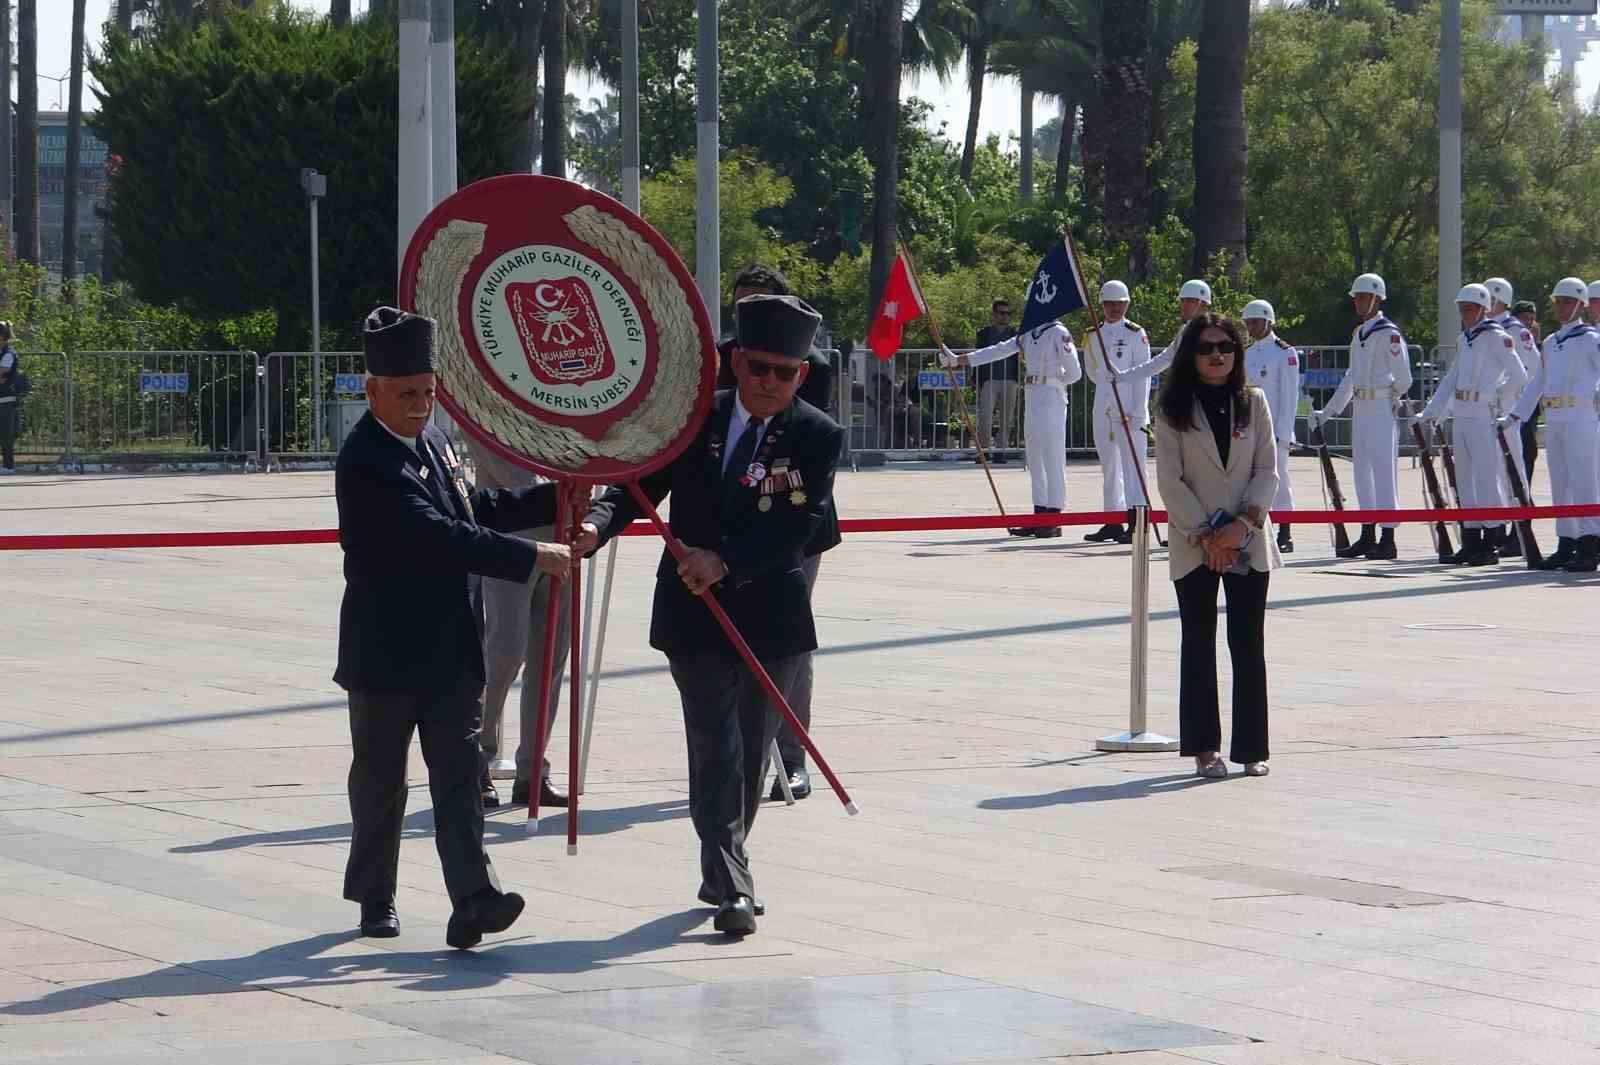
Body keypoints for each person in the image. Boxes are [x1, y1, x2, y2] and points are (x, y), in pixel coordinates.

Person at [580, 294, 843, 936]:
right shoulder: (695, 419)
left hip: (769, 614)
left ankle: (724, 857)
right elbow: (639, 483)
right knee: (714, 743)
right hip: (693, 615)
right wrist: (595, 525)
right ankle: (733, 881)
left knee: (751, 750)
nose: (771, 383)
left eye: (786, 372)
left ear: (802, 374)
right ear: (734, 361)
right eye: (759, 368)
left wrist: (725, 560)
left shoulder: (816, 433)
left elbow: (800, 527)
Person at [334, 306, 574, 949]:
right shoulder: (366, 460)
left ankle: (474, 897)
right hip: (385, 653)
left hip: (449, 651)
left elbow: (479, 506)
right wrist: (531, 555)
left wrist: (557, 495)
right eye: (406, 395)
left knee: (462, 775)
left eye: (428, 393)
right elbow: (436, 535)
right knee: (381, 782)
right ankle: (375, 897)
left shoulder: (438, 444)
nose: (419, 405)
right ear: (373, 390)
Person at [713, 264, 838, 802]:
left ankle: (790, 755)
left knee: (789, 644)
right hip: (722, 532)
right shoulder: (721, 360)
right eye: (744, 307)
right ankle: (735, 755)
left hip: (791, 524)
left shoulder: (810, 367)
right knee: (720, 649)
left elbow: (802, 437)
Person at [1152, 314, 1280, 780]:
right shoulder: (1171, 410)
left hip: (1247, 537)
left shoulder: (1255, 402)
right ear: (1191, 354)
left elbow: (1268, 469)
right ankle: (1205, 747)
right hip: (1196, 542)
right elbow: (1171, 480)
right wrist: (1207, 535)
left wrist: (1243, 524)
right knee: (1199, 643)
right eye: (1206, 347)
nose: (1216, 355)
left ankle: (1252, 748)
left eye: (1225, 346)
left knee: (1248, 644)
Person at [467, 440, 572, 812]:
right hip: (509, 541)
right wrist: (564, 491)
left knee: (551, 661)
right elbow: (508, 469)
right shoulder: (492, 399)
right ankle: (477, 758)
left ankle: (532, 772)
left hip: (563, 537)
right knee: (504, 656)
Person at [940, 302, 1083, 538]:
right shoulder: (1029, 333)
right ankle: (1039, 514)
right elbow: (997, 350)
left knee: (1053, 457)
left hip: (1051, 396)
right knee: (1034, 457)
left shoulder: (1060, 333)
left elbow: (1075, 373)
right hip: (1033, 394)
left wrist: (1054, 382)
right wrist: (958, 360)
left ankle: (1054, 517)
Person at [1085, 279, 1212, 543]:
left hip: (1190, 406)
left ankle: (1143, 523)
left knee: (1144, 469)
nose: (1183, 306)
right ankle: (1118, 520)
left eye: (1189, 301)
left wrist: (1136, 409)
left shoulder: (1211, 332)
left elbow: (1149, 371)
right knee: (1113, 466)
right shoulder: (1185, 331)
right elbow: (1160, 361)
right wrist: (1120, 377)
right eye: (1183, 301)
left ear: (1202, 303)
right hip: (1117, 407)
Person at [1417, 284, 1527, 567]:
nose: (1464, 314)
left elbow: (1518, 376)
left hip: (1482, 413)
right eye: (1462, 309)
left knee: (1487, 478)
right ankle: (1471, 540)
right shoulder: (1465, 339)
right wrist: (1430, 413)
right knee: (1464, 478)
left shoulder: (1496, 337)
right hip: (1463, 414)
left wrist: (1497, 398)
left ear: (1483, 308)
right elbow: (1451, 380)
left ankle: (1491, 543)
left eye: (1469, 308)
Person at [1309, 273, 1412, 560]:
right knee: (1361, 474)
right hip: (1362, 408)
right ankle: (1367, 535)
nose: (1358, 302)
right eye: (1356, 297)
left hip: (1380, 407)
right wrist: (1328, 412)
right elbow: (1351, 377)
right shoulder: (1360, 334)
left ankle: (1387, 538)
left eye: (1363, 297)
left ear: (1377, 298)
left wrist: (1391, 397)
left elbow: (1404, 377)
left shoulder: (1389, 333)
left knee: (1383, 474)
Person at [1503, 277, 1600, 572]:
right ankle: (1566, 542)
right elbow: (1538, 383)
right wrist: (1515, 415)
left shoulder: (1591, 339)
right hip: (1556, 418)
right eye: (1558, 302)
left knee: (1584, 482)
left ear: (1581, 305)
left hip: (1582, 417)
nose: (1561, 307)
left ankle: (1589, 544)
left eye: (1567, 302)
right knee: (1560, 482)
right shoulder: (1551, 342)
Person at [1483, 278, 1540, 556]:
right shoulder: (1486, 331)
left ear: (1499, 299)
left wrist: (1517, 402)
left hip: (1514, 412)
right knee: (1495, 474)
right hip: (1491, 413)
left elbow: (1535, 369)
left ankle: (1521, 533)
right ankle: (1500, 532)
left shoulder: (1516, 331)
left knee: (1516, 474)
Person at [1241, 300, 1300, 553]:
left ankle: (1285, 532)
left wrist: (1285, 433)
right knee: (1252, 481)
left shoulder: (1284, 353)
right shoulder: (1247, 353)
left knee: (1279, 481)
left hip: (1275, 428)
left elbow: (1290, 397)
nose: (1250, 327)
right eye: (1248, 323)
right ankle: (1256, 529)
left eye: (1255, 322)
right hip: (1251, 429)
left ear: (1268, 321)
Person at [972, 298, 1019, 463]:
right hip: (989, 380)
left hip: (1010, 380)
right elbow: (977, 358)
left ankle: (1001, 451)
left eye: (1008, 313)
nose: (1005, 316)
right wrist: (976, 381)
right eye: (1001, 313)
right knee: (985, 418)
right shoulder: (984, 334)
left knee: (1007, 419)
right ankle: (983, 451)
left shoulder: (1015, 334)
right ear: (994, 315)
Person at [1511, 298, 1543, 483]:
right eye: (1525, 318)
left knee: (1530, 450)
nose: (1529, 322)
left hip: (1530, 406)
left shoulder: (1534, 343)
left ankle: (1524, 492)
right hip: (1512, 402)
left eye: (1532, 318)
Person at [0, 321, 18, 474]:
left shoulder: (8, 354)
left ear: (3, 337)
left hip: (5, 399)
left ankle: (8, 466)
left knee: (5, 434)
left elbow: (2, 372)